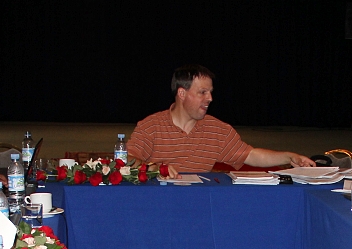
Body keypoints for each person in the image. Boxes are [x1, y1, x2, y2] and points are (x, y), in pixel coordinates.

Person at [127, 65, 315, 178]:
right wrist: (154, 168)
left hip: (199, 204)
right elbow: (126, 159)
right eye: (202, 92)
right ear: (182, 94)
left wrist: (290, 157)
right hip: (158, 202)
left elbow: (251, 155)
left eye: (210, 92)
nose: (210, 98)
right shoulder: (151, 126)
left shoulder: (217, 130)